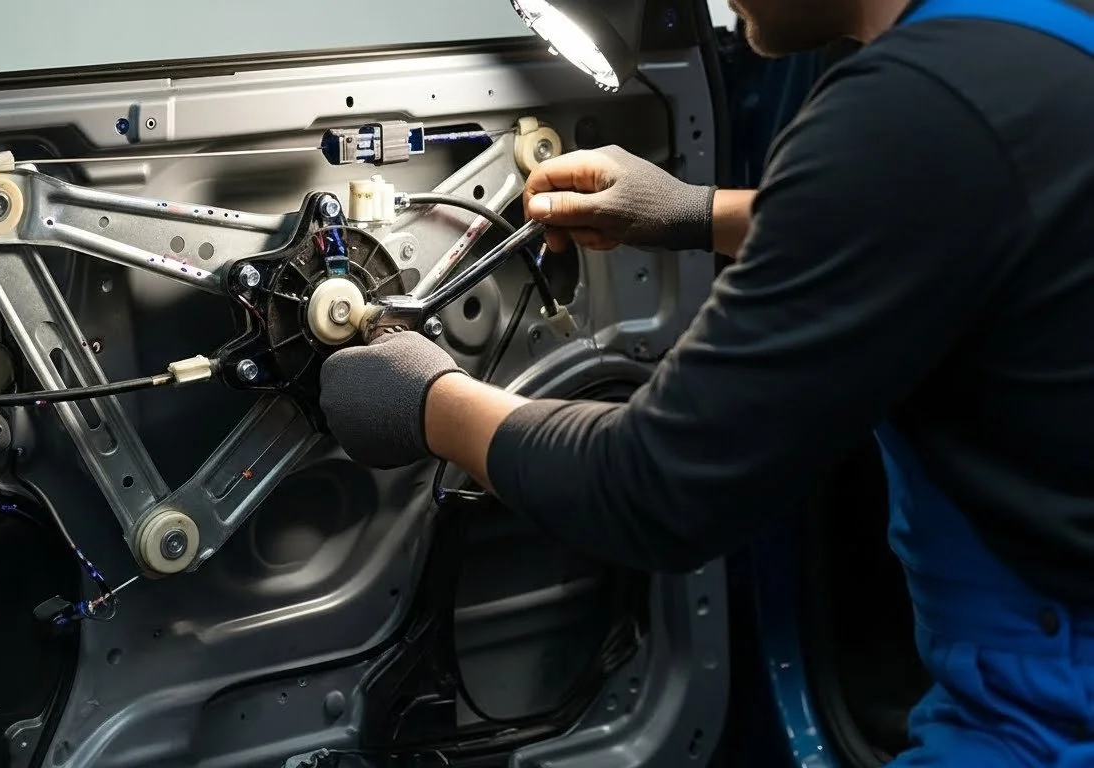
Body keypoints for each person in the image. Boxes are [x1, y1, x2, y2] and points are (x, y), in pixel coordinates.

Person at [319, 0, 1094, 764]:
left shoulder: (913, 105)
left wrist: (429, 401)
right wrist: (694, 211)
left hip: (1049, 713)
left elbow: (656, 487)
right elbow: (937, 221)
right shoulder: (1039, 50)